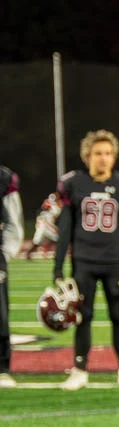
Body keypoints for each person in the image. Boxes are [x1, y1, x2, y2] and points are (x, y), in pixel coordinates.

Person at [52, 131, 119, 390]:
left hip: (115, 262)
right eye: (97, 154)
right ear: (87, 156)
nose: (103, 159)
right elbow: (66, 231)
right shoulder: (75, 184)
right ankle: (80, 370)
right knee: (83, 317)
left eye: (107, 154)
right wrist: (58, 267)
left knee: (118, 316)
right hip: (84, 262)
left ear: (114, 157)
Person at [0, 164, 19, 387]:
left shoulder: (3, 178)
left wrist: (3, 256)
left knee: (0, 313)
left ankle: (2, 366)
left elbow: (13, 223)